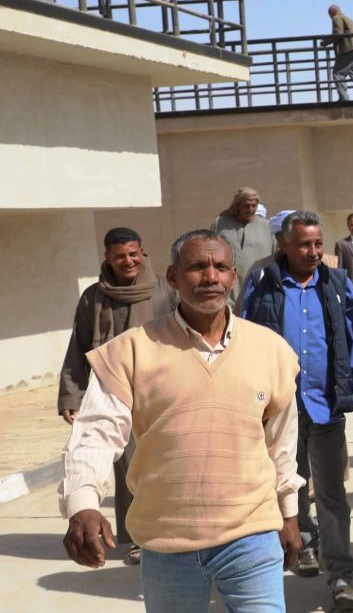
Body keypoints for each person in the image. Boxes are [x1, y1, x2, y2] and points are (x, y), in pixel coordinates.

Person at [60, 230, 303, 612]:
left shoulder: (271, 350)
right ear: (173, 277)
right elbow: (96, 434)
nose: (210, 277)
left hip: (251, 536)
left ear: (233, 276)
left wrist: (289, 514)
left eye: (220, 267)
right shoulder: (132, 350)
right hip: (167, 543)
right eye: (197, 267)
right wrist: (83, 503)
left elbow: (281, 443)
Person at [246, 211, 353, 613]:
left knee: (332, 494)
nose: (314, 252)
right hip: (279, 411)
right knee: (287, 489)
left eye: (318, 244)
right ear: (284, 244)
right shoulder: (261, 283)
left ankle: (341, 575)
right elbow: (242, 336)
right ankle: (303, 546)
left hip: (325, 407)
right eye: (304, 245)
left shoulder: (337, 283)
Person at [57, 227, 176, 565]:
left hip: (161, 390)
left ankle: (170, 529)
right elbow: (79, 346)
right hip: (113, 392)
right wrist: (71, 395)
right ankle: (139, 537)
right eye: (120, 256)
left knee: (162, 462)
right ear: (107, 258)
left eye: (133, 254)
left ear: (142, 252)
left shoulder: (165, 290)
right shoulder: (93, 297)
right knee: (127, 467)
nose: (129, 261)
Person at [210, 187, 274, 309]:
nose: (250, 210)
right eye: (246, 206)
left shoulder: (267, 227)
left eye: (254, 206)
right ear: (237, 206)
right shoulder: (220, 224)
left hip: (259, 291)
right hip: (228, 291)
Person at [321, 4, 353, 101]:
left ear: (332, 12)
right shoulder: (349, 20)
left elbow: (338, 34)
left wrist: (325, 42)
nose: (330, 17)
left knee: (338, 73)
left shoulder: (337, 18)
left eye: (329, 14)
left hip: (349, 49)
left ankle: (344, 97)